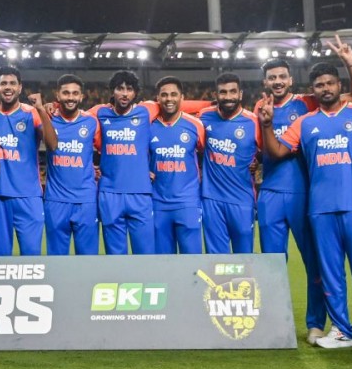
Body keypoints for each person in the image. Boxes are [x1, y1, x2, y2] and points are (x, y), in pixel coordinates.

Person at [259, 62, 352, 354]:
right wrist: (268, 124)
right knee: (330, 272)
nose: (326, 89)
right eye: (320, 85)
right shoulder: (306, 122)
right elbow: (277, 152)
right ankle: (341, 330)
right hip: (319, 209)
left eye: (330, 84)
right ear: (313, 90)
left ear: (339, 86)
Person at [255, 35, 352, 344]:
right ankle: (274, 323)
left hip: (303, 194)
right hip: (269, 195)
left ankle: (315, 323)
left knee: (314, 263)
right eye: (271, 77)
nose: (277, 81)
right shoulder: (259, 107)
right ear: (265, 82)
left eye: (281, 76)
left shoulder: (307, 102)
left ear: (290, 79)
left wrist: (351, 63)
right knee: (272, 264)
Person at [88, 71, 210, 254]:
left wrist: (212, 104)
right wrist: (54, 106)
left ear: (135, 93)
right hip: (110, 194)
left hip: (141, 195)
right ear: (112, 91)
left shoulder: (147, 110)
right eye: (119, 89)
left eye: (129, 89)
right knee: (115, 258)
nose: (124, 93)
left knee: (147, 256)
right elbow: (76, 120)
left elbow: (174, 102)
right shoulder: (99, 112)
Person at [0, 66, 57, 256]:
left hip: (28, 196)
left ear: (20, 88)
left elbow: (52, 145)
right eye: (3, 83)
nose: (8, 87)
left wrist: (41, 109)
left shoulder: (32, 113)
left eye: (12, 83)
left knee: (31, 257)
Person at [198, 73, 260, 254]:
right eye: (223, 92)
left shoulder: (253, 121)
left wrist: (258, 161)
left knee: (244, 257)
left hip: (242, 199)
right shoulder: (204, 117)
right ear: (215, 95)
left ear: (240, 94)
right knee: (215, 259)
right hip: (211, 199)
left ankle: (241, 284)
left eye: (232, 92)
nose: (228, 97)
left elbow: (268, 151)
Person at [44, 74, 100, 255]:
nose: (71, 97)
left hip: (86, 200)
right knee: (57, 260)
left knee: (88, 259)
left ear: (81, 97)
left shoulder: (91, 121)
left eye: (75, 93)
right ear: (58, 95)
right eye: (66, 93)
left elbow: (112, 149)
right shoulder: (47, 119)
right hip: (55, 201)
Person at [149, 77, 206, 254]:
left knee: (192, 263)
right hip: (158, 203)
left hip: (188, 202)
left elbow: (207, 156)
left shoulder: (195, 125)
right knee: (163, 264)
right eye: (164, 95)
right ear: (157, 98)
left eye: (174, 94)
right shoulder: (148, 126)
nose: (169, 99)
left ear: (182, 97)